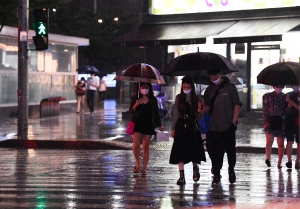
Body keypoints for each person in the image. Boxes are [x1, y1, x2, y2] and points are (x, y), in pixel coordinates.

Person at [203, 69, 241, 185]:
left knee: (230, 149)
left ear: (220, 74)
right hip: (214, 126)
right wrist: (203, 108)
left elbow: (236, 104)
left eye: (214, 74)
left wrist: (233, 121)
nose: (212, 77)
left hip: (228, 124)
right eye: (210, 75)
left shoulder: (230, 88)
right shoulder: (209, 90)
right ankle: (216, 173)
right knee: (215, 151)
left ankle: (231, 170)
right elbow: (208, 108)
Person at [169, 76, 206, 185]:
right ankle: (181, 175)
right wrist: (172, 128)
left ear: (192, 87)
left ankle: (195, 169)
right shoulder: (179, 98)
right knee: (179, 151)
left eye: (188, 87)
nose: (186, 89)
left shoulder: (197, 98)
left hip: (192, 126)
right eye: (184, 87)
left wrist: (200, 110)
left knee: (194, 150)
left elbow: (199, 117)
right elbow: (175, 114)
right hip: (181, 126)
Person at [129, 82, 164, 176]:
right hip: (137, 123)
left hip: (148, 124)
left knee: (146, 146)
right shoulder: (135, 97)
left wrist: (159, 125)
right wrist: (136, 105)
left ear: (149, 88)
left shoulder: (153, 99)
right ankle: (137, 163)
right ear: (139, 88)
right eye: (143, 87)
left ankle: (144, 168)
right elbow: (131, 111)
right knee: (136, 145)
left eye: (146, 87)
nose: (144, 88)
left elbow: (156, 113)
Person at [262, 85, 287, 169]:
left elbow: (287, 110)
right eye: (277, 85)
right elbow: (265, 110)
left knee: (280, 143)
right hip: (271, 121)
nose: (279, 87)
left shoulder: (285, 97)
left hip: (280, 121)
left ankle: (279, 162)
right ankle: (268, 159)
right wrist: (266, 121)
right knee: (270, 141)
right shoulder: (267, 96)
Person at [285, 85, 300, 169]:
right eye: (294, 85)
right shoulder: (288, 95)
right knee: (289, 141)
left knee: (299, 142)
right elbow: (284, 110)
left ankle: (297, 161)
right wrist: (288, 106)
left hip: (298, 121)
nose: (295, 86)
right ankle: (289, 160)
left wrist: (293, 104)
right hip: (289, 121)